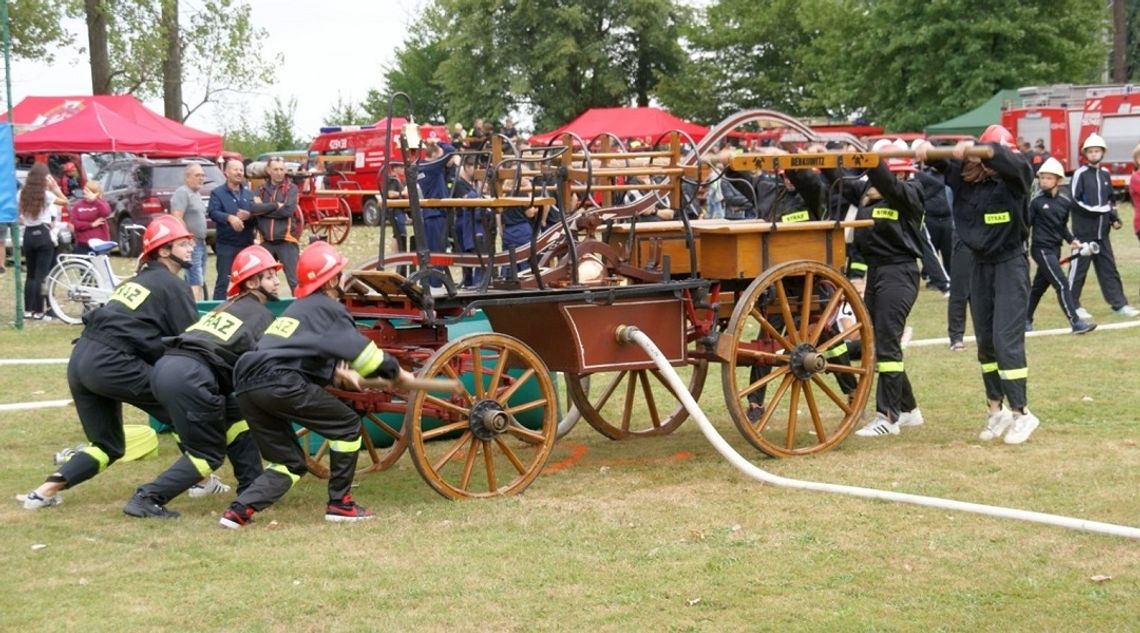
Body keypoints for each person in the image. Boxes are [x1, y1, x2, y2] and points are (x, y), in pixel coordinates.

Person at [220, 241, 416, 528]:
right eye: (339, 273)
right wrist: (397, 373)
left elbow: (305, 355)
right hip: (279, 381)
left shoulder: (297, 309)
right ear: (331, 280)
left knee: (289, 463)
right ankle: (340, 505)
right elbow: (362, 351)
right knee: (347, 426)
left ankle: (238, 511)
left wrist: (336, 374)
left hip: (247, 384)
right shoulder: (328, 308)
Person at [18, 216, 198, 509]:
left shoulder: (135, 282)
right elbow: (188, 340)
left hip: (81, 360)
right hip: (113, 362)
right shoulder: (172, 285)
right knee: (181, 407)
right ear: (164, 251)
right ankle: (201, 481)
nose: (191, 249)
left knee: (107, 445)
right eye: (183, 244)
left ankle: (41, 494)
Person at [122, 245, 282, 519]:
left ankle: (252, 487)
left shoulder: (227, 306)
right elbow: (265, 362)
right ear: (252, 283)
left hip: (166, 368)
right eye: (269, 276)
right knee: (207, 455)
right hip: (192, 376)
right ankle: (147, 498)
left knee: (237, 418)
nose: (277, 282)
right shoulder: (260, 314)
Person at [917, 125, 1039, 444]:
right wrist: (927, 150)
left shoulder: (1014, 180)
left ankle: (1022, 413)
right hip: (980, 265)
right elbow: (944, 162)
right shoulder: (966, 180)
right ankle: (996, 410)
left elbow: (1016, 164)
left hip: (1010, 263)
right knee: (985, 341)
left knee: (1005, 340)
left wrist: (985, 150)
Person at [1068, 133, 1139, 318]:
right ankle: (1072, 306)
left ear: (1102, 153)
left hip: (1102, 233)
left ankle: (1119, 305)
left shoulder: (1105, 173)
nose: (1094, 154)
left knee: (1109, 269)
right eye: (1090, 151)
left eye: (1097, 151)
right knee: (1078, 270)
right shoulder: (1080, 174)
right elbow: (1074, 201)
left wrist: (1114, 218)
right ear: (1085, 154)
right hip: (1083, 233)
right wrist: (1098, 211)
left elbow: (1110, 200)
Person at [1026, 157, 1097, 335]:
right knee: (1062, 284)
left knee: (1038, 287)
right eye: (1042, 177)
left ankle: (1025, 320)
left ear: (1058, 181)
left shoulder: (1065, 202)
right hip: (1041, 249)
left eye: (1049, 178)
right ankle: (1076, 322)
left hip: (1054, 249)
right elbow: (1026, 226)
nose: (1044, 181)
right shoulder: (1035, 202)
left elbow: (1061, 226)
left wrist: (1072, 240)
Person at [17, 163, 67, 320]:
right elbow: (65, 201)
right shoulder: (46, 195)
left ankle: (28, 310)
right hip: (43, 233)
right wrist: (55, 188)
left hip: (28, 234)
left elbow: (19, 214)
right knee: (42, 275)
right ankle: (39, 311)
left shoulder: (21, 194)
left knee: (30, 274)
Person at [250, 157, 302, 293]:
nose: (279, 173)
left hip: (286, 241)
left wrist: (263, 209)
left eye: (281, 169)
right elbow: (253, 209)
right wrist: (275, 206)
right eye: (275, 169)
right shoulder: (260, 189)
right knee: (263, 282)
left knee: (295, 281)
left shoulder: (291, 188)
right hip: (266, 242)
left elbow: (288, 211)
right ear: (268, 170)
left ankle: (299, 305)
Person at [207, 159, 255, 300]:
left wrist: (249, 215)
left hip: (246, 244)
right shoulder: (217, 193)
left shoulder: (249, 195)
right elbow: (213, 212)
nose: (239, 172)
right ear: (226, 172)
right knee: (224, 280)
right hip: (226, 245)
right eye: (235, 169)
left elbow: (257, 216)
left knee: (249, 279)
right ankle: (217, 309)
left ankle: (247, 307)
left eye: (241, 170)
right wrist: (229, 218)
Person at [170, 163, 209, 300]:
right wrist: (187, 239)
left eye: (203, 175)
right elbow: (177, 217)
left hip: (201, 243)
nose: (201, 178)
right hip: (191, 244)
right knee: (195, 279)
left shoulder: (196, 194)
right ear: (187, 177)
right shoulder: (182, 192)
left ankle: (190, 303)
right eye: (197, 175)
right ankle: (195, 308)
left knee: (198, 278)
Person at [67, 180, 112, 256]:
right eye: (85, 193)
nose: (86, 195)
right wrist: (91, 225)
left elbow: (106, 213)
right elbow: (74, 223)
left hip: (100, 243)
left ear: (97, 193)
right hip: (83, 243)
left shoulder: (101, 203)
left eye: (89, 193)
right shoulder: (78, 205)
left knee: (100, 263)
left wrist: (96, 200)